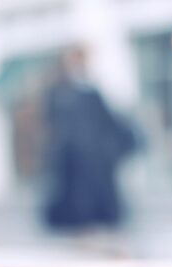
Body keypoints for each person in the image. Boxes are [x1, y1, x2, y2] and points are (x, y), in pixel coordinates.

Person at [42, 48, 135, 229]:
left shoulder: (90, 91)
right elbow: (53, 122)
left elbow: (107, 120)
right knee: (78, 196)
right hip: (73, 155)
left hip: (93, 154)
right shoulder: (59, 91)